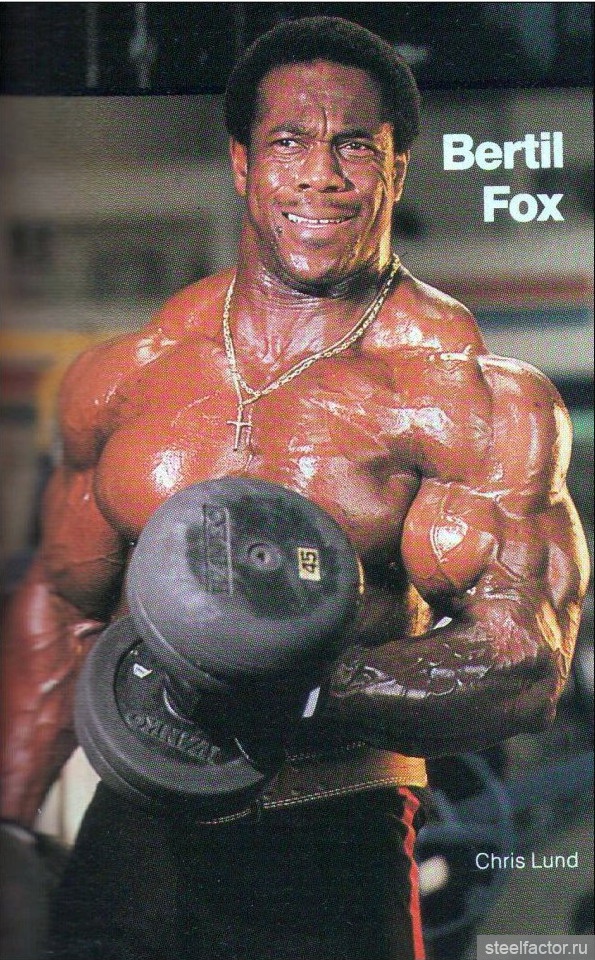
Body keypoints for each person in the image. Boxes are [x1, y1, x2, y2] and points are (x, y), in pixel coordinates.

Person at [0, 16, 589, 960]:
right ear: (242, 164)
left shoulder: (466, 394)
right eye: (288, 142)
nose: (321, 175)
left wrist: (308, 693)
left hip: (331, 829)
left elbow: (524, 659)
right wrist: (11, 824)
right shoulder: (133, 372)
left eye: (354, 145)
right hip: (134, 828)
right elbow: (64, 605)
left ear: (396, 169)